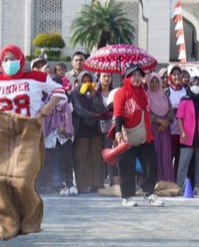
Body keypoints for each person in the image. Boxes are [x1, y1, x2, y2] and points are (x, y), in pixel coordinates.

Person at [0, 45, 67, 239]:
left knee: (22, 181)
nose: (9, 63)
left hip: (27, 132)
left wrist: (48, 106)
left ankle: (29, 221)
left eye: (12, 58)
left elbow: (59, 91)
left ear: (21, 59)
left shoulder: (35, 77)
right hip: (0, 132)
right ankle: (6, 224)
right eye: (5, 59)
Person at [110, 65, 164, 207]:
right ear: (126, 78)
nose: (136, 78)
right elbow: (118, 114)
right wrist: (118, 132)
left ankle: (149, 193)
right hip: (128, 135)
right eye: (133, 75)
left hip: (145, 136)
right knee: (126, 165)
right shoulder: (121, 93)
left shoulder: (143, 93)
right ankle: (127, 197)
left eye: (139, 75)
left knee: (151, 163)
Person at [71, 70, 108, 193]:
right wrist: (93, 114)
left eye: (89, 81)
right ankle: (82, 184)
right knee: (82, 156)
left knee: (96, 157)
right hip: (82, 128)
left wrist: (93, 95)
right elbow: (79, 110)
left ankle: (96, 183)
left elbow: (101, 109)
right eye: (84, 81)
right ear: (79, 81)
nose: (87, 83)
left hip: (95, 129)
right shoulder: (75, 93)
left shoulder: (95, 93)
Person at [144, 72, 173, 183]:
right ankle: (154, 181)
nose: (154, 84)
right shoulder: (146, 96)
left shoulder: (165, 97)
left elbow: (171, 112)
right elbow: (146, 113)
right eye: (152, 82)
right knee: (154, 155)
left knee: (165, 155)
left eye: (157, 82)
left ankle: (166, 180)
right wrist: (159, 121)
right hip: (153, 130)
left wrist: (166, 123)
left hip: (164, 130)